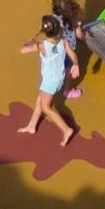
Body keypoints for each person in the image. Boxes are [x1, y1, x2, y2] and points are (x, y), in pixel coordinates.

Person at [18, 10, 79, 145]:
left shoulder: (42, 46)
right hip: (58, 77)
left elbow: (22, 50)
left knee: (46, 107)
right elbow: (73, 55)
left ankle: (66, 130)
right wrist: (76, 65)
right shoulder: (63, 41)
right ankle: (32, 126)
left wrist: (29, 42)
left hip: (49, 81)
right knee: (40, 99)